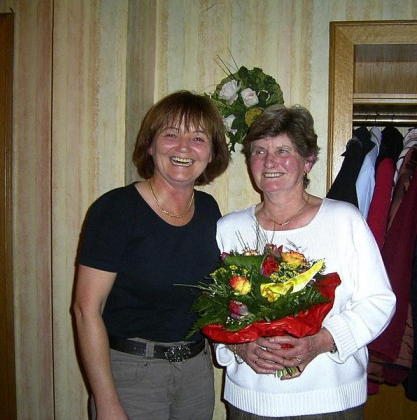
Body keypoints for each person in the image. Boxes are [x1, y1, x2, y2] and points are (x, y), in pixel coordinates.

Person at [214, 104, 396, 419]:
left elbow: (379, 300)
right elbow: (216, 309)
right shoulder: (229, 228)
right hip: (250, 401)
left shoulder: (343, 220)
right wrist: (237, 346)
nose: (269, 162)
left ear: (308, 161)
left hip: (329, 401)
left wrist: (322, 341)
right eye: (259, 151)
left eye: (283, 151)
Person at [72, 90, 230, 419]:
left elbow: (211, 297)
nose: (184, 147)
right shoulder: (116, 210)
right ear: (150, 145)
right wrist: (106, 401)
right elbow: (86, 310)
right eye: (171, 134)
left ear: (212, 153)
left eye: (198, 138)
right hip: (132, 375)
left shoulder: (209, 210)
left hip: (195, 373)